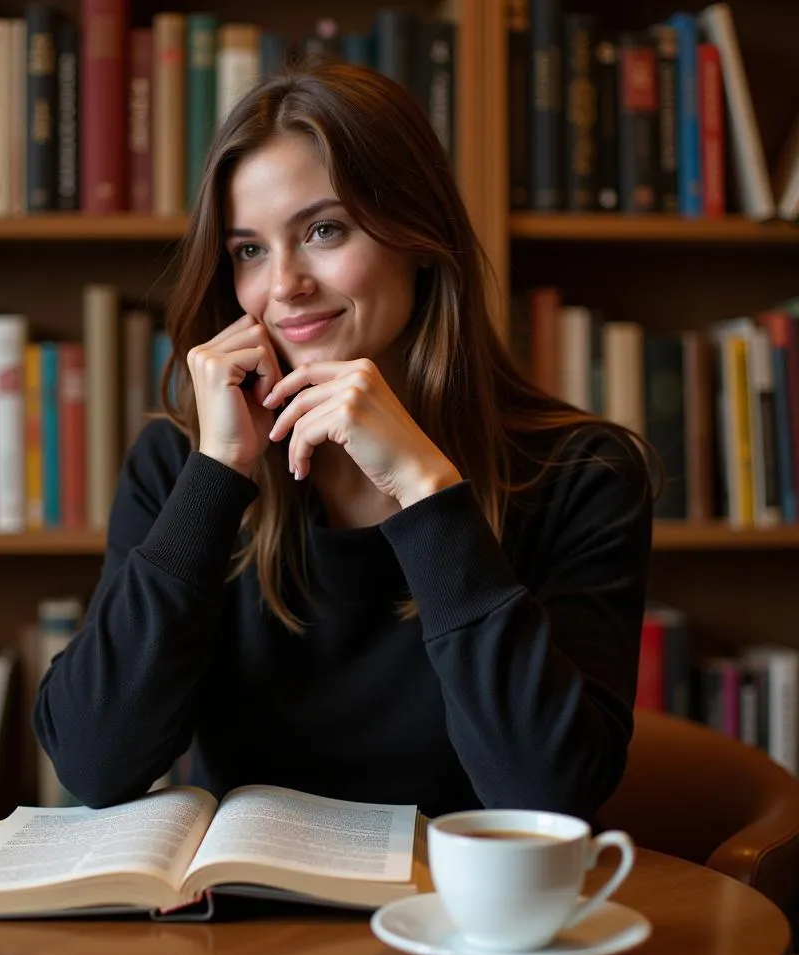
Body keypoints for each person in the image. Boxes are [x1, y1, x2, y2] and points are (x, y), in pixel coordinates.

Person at [33, 59, 654, 821]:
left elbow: (548, 798)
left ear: (419, 237)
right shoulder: (179, 465)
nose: (284, 284)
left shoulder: (581, 475)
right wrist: (218, 473)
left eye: (324, 230)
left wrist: (428, 493)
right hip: (248, 931)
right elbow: (94, 763)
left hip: (465, 924)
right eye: (249, 251)